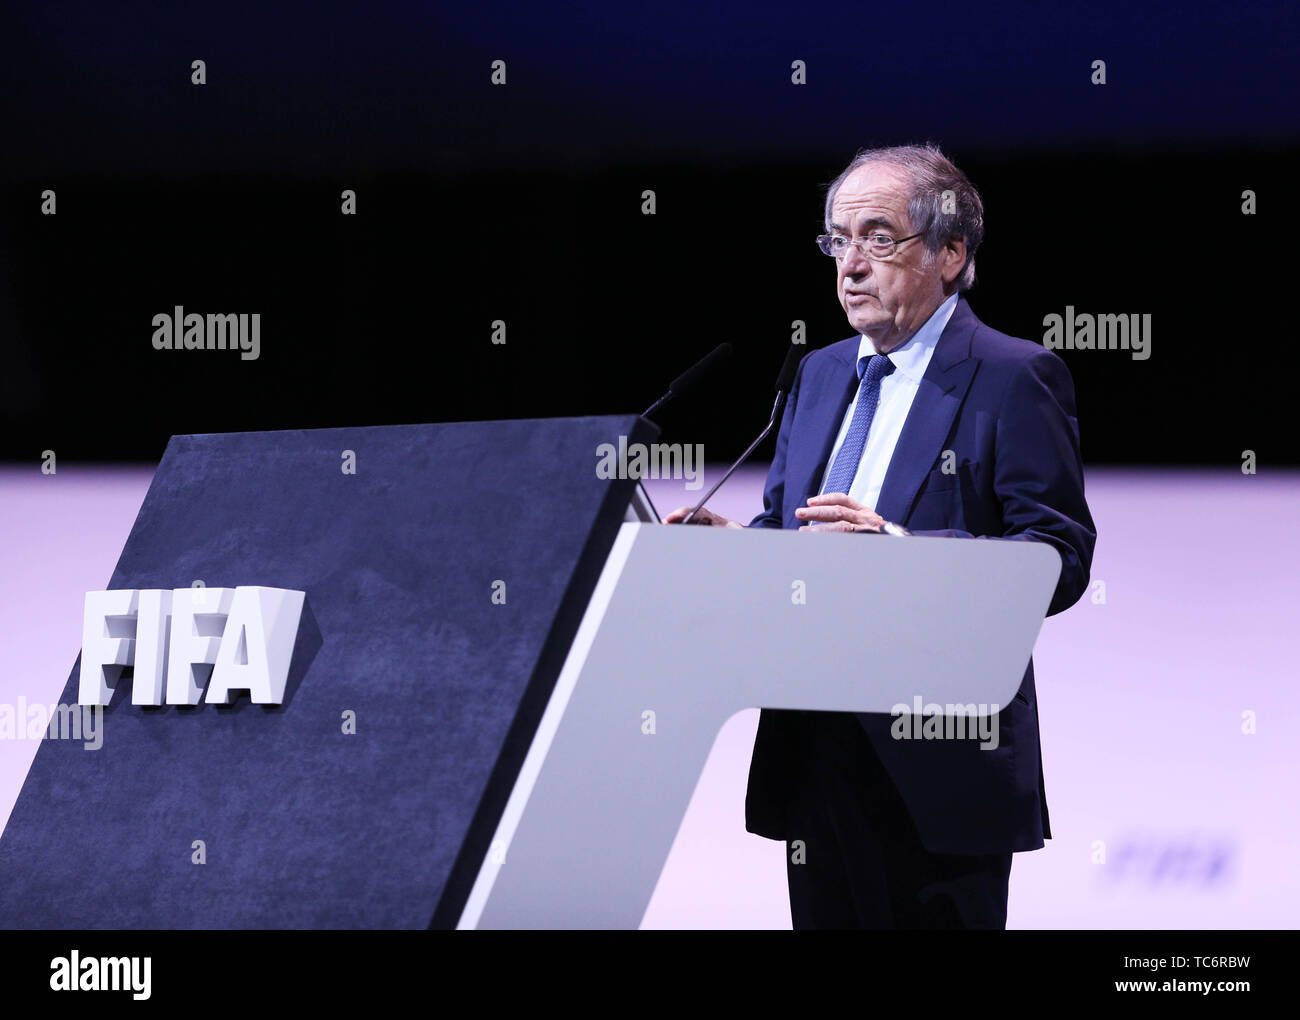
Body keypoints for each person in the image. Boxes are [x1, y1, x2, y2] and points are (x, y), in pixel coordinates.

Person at [663, 144, 1096, 929]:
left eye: (878, 237)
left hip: (940, 764)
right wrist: (733, 548)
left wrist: (900, 553)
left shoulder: (1013, 375)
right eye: (837, 239)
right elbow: (790, 530)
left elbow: (1058, 562)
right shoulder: (819, 373)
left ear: (951, 252)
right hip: (815, 751)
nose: (851, 265)